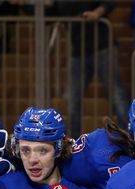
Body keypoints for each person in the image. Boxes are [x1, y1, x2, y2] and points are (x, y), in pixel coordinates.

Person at [55, 1, 130, 135]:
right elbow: (53, 9)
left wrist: (97, 13)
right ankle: (74, 143)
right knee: (73, 99)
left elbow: (110, 3)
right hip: (78, 49)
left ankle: (130, 136)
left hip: (102, 45)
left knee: (116, 93)